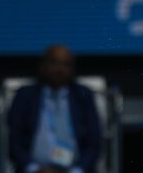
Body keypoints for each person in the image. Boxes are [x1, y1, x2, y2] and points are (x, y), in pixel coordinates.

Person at [7, 45, 101, 173]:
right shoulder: (25, 96)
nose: (60, 69)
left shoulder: (83, 96)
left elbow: (94, 144)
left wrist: (77, 171)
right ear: (42, 66)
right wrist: (34, 169)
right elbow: (15, 143)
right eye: (54, 63)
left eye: (66, 64)